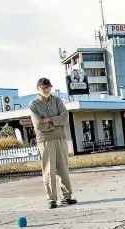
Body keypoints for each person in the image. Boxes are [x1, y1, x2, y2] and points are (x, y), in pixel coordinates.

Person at [28, 77, 77, 209]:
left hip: (60, 138)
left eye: (48, 87)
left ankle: (67, 196)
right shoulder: (34, 104)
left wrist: (49, 120)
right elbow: (38, 124)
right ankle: (52, 199)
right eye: (44, 87)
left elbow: (65, 117)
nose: (47, 89)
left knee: (63, 168)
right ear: (38, 88)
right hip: (45, 140)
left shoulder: (57, 100)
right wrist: (56, 123)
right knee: (49, 170)